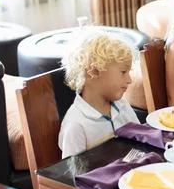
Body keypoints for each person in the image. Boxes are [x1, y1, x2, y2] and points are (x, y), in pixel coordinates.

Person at [58, 30, 140, 158]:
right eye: (123, 72)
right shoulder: (76, 124)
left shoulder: (123, 107)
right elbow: (73, 174)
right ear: (95, 71)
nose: (129, 80)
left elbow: (141, 145)